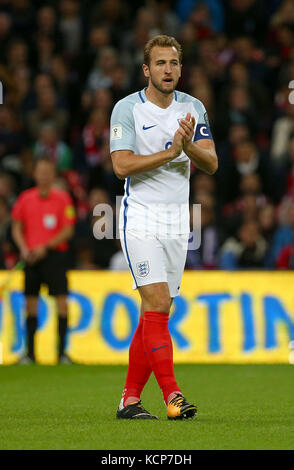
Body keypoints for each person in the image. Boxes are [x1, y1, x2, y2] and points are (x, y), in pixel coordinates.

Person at [110, 35, 218, 420]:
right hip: (139, 218)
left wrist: (187, 148)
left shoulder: (193, 107)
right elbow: (120, 166)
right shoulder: (127, 109)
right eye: (160, 64)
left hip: (177, 223)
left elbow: (211, 163)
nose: (168, 70)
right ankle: (173, 396)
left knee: (156, 311)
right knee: (156, 303)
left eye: (173, 63)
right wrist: (169, 153)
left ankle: (129, 400)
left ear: (180, 68)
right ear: (146, 70)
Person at [11, 157, 76, 364]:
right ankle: (30, 354)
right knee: (30, 304)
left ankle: (62, 353)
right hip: (31, 258)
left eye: (48, 172)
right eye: (41, 172)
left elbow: (68, 230)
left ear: (52, 174)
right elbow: (16, 228)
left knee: (62, 303)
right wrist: (23, 249)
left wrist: (45, 247)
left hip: (54, 257)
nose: (44, 175)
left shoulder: (63, 198)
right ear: (35, 174)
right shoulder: (25, 198)